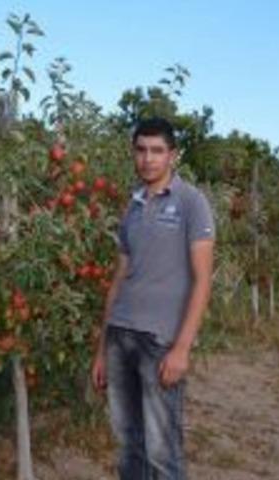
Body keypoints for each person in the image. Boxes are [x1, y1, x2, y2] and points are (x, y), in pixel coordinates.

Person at [91, 117, 215, 479]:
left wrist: (182, 349)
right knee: (128, 445)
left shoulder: (192, 202)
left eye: (157, 151)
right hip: (120, 336)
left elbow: (202, 280)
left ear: (172, 155)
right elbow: (119, 279)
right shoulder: (131, 207)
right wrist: (101, 350)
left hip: (160, 342)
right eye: (141, 150)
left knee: (162, 452)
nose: (148, 159)